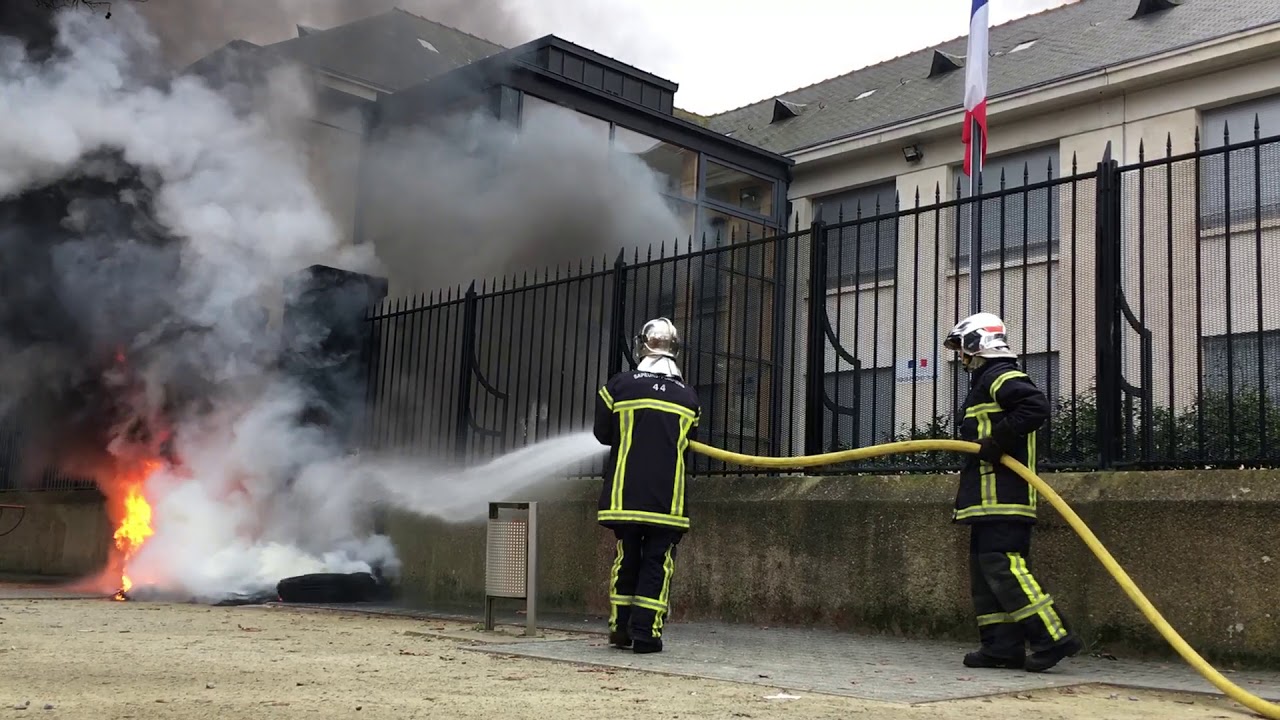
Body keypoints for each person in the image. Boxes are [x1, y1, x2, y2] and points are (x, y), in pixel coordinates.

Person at [944, 312, 1083, 673]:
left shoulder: (1003, 375)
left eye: (963, 348)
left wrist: (997, 440)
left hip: (1003, 495)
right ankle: (1000, 647)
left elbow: (1035, 408)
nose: (961, 357)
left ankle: (1053, 637)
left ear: (978, 344)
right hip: (985, 498)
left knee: (1004, 567)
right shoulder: (986, 380)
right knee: (985, 572)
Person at [592, 317, 701, 654]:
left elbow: (602, 435)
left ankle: (620, 630)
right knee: (658, 562)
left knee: (627, 557)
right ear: (675, 349)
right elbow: (688, 443)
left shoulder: (618, 387)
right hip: (667, 500)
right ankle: (646, 635)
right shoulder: (689, 398)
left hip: (624, 496)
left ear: (642, 345)